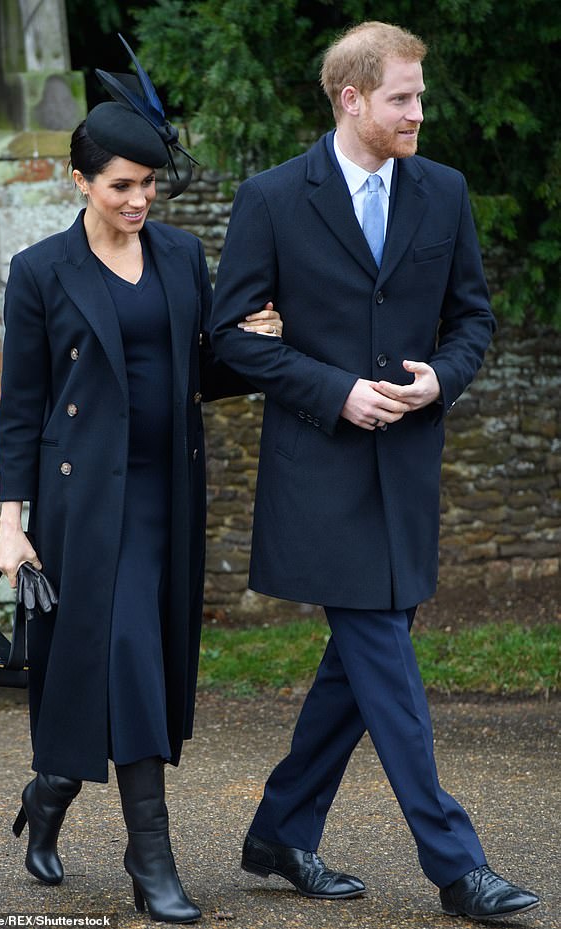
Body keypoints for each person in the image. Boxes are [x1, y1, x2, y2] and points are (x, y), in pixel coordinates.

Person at [210, 20, 540, 923]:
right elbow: (231, 336)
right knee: (386, 666)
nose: (418, 111)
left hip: (407, 470)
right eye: (403, 96)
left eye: (419, 95)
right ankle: (456, 865)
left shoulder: (444, 191)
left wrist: (446, 377)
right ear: (351, 98)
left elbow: (473, 319)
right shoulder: (273, 198)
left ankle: (279, 830)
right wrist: (334, 390)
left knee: (356, 668)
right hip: (319, 474)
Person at [0, 42, 282, 925]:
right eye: (121, 185)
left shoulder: (181, 256)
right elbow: (22, 405)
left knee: (134, 665)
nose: (138, 201)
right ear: (80, 180)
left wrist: (260, 349)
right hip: (87, 504)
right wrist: (12, 524)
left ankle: (48, 793)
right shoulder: (40, 271)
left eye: (148, 186)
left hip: (167, 496)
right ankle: (150, 860)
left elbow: (194, 370)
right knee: (119, 657)